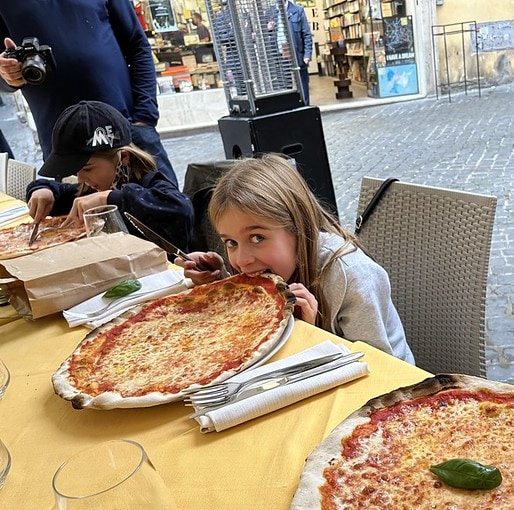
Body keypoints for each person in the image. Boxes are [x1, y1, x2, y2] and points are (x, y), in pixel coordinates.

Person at [178, 153, 414, 363]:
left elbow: (377, 368)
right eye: (231, 242)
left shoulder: (351, 276)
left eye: (257, 237)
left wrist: (307, 335)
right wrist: (219, 284)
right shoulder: (266, 269)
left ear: (298, 229)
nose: (242, 260)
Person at [0, 1, 179, 185]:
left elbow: (137, 45)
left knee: (165, 206)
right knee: (83, 212)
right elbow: (3, 75)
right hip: (65, 149)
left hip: (128, 130)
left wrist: (144, 117)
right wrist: (7, 76)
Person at [26, 100, 194, 252]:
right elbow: (61, 192)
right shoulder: (92, 190)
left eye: (87, 169)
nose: (81, 179)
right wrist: (43, 191)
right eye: (76, 171)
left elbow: (181, 208)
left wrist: (109, 199)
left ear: (124, 157)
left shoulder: (151, 184)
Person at [285, 0, 313, 105]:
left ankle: (305, 110)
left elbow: (306, 34)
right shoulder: (271, 13)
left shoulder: (298, 10)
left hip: (298, 55)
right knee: (285, 89)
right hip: (280, 57)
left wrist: (307, 54)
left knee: (302, 87)